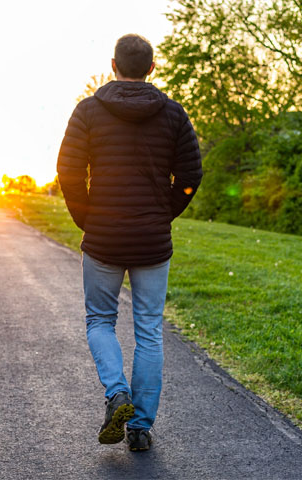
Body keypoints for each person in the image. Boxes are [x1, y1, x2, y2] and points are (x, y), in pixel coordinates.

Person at [57, 33, 203, 451]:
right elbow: (190, 177)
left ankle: (116, 392)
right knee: (149, 331)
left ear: (113, 66)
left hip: (103, 237)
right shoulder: (174, 114)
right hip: (152, 242)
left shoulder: (88, 111)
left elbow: (68, 171)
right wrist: (164, 213)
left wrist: (87, 218)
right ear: (152, 68)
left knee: (100, 320)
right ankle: (139, 427)